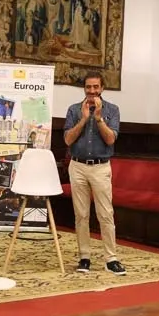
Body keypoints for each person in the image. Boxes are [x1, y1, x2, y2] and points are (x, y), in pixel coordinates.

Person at [63, 71, 125, 275]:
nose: (92, 91)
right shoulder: (73, 109)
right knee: (81, 215)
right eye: (88, 87)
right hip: (78, 166)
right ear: (84, 88)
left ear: (102, 88)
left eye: (95, 87)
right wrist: (83, 119)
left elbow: (111, 139)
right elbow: (68, 140)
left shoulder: (112, 110)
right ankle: (84, 257)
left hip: (101, 167)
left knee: (105, 214)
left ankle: (111, 259)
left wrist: (98, 119)